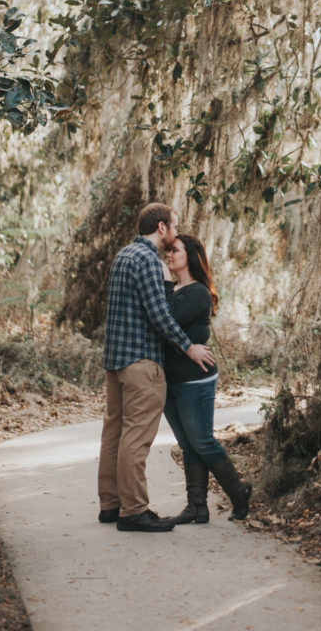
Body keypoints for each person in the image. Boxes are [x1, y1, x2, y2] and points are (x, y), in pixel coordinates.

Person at [97, 203, 215, 532]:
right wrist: (188, 347)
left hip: (114, 362)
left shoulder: (123, 255)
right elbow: (160, 315)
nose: (175, 234)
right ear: (161, 227)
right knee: (136, 438)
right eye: (174, 228)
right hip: (141, 363)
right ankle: (133, 511)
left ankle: (111, 504)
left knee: (114, 434)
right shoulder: (148, 259)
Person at [162, 233, 252, 524]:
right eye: (169, 250)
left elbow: (167, 318)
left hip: (195, 381)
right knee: (188, 445)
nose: (169, 254)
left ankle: (238, 492)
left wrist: (163, 281)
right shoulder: (176, 289)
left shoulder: (197, 292)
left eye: (175, 250)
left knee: (202, 441)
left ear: (190, 256)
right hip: (171, 381)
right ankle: (197, 506)